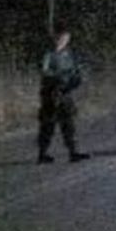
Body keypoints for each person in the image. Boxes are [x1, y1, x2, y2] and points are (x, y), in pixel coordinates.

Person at [37, 24, 90, 164]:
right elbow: (44, 71)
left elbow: (76, 70)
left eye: (66, 38)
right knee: (48, 124)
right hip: (51, 93)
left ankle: (73, 152)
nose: (63, 41)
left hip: (65, 93)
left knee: (69, 124)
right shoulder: (49, 54)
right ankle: (42, 154)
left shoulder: (69, 54)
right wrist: (58, 76)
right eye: (61, 37)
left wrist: (78, 77)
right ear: (55, 37)